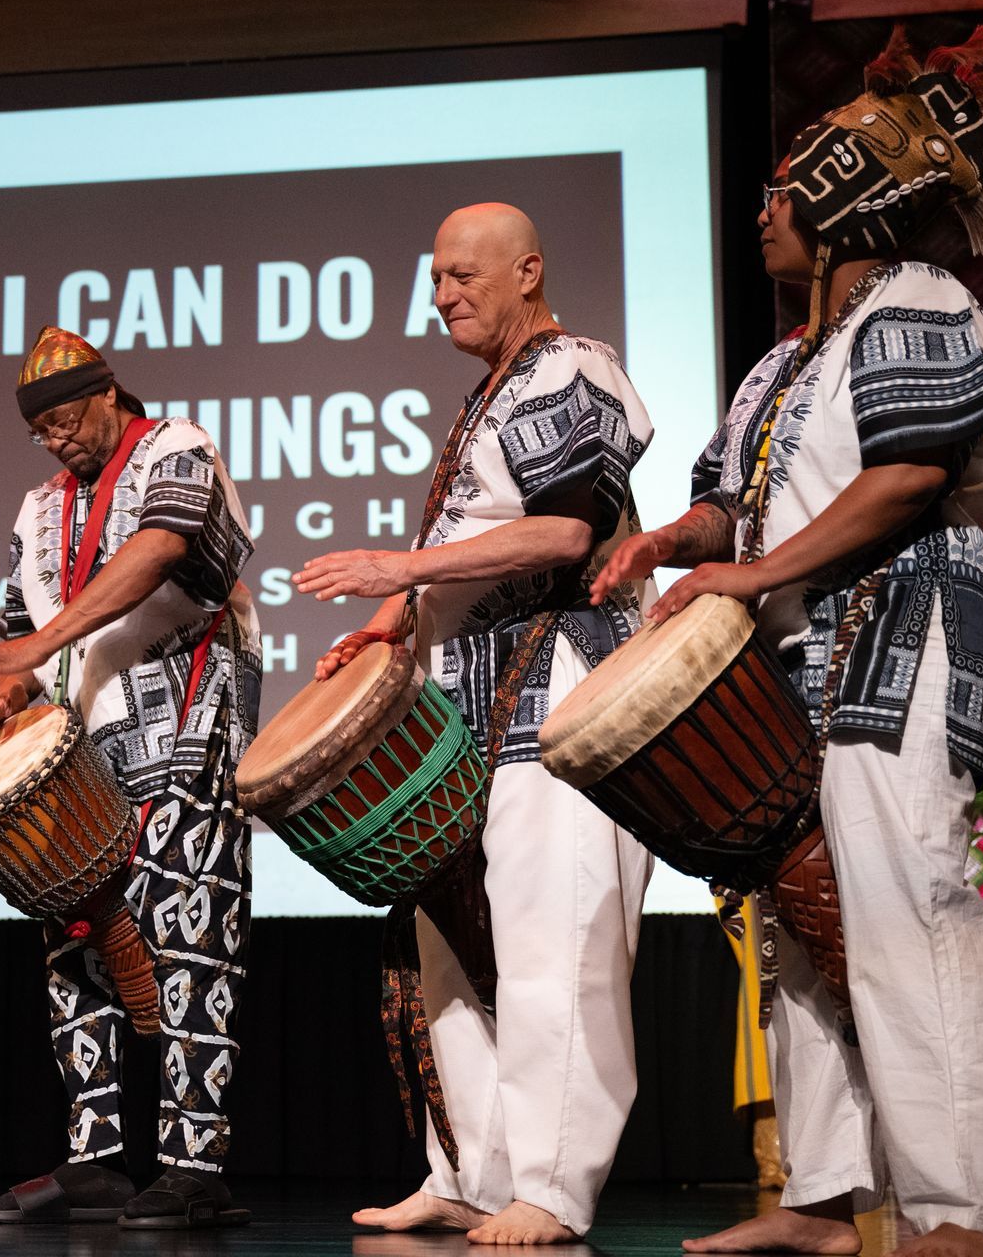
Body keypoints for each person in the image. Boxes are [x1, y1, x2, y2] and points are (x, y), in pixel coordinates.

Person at [592, 28, 983, 1257]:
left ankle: (962, 1208)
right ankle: (827, 1196)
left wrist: (753, 568)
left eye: (783, 193)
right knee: (801, 917)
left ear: (847, 210)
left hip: (908, 624)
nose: (760, 211)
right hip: (812, 654)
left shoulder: (919, 304)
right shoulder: (784, 366)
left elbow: (908, 474)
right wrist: (672, 542)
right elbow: (730, 499)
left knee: (909, 903)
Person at [297, 203, 655, 1246]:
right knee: (453, 954)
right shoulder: (487, 398)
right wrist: (380, 631)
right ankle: (468, 1171)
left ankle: (552, 1186)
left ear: (529, 269)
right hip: (469, 713)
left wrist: (397, 571)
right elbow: (463, 540)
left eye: (462, 275)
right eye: (435, 279)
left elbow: (568, 525)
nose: (443, 295)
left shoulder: (570, 368)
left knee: (558, 946)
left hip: (562, 699)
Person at [0, 326, 262, 1229]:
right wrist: (9, 700)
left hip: (188, 722)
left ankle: (195, 1164)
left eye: (67, 417)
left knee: (188, 937)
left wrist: (40, 644)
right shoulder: (36, 509)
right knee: (72, 944)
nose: (57, 439)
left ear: (109, 393)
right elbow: (22, 624)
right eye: (40, 429)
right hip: (81, 749)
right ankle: (95, 1156)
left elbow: (161, 549)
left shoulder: (177, 448)